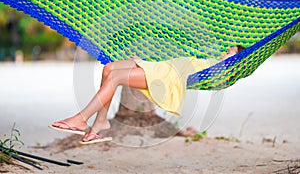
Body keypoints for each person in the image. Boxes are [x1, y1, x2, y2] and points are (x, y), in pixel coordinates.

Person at [49, 45, 245, 144]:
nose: (224, 53)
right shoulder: (212, 60)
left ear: (235, 60)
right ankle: (101, 122)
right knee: (109, 69)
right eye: (227, 50)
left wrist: (236, 60)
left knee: (116, 77)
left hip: (167, 79)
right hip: (159, 67)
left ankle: (81, 119)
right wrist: (146, 62)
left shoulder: (221, 70)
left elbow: (225, 75)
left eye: (230, 52)